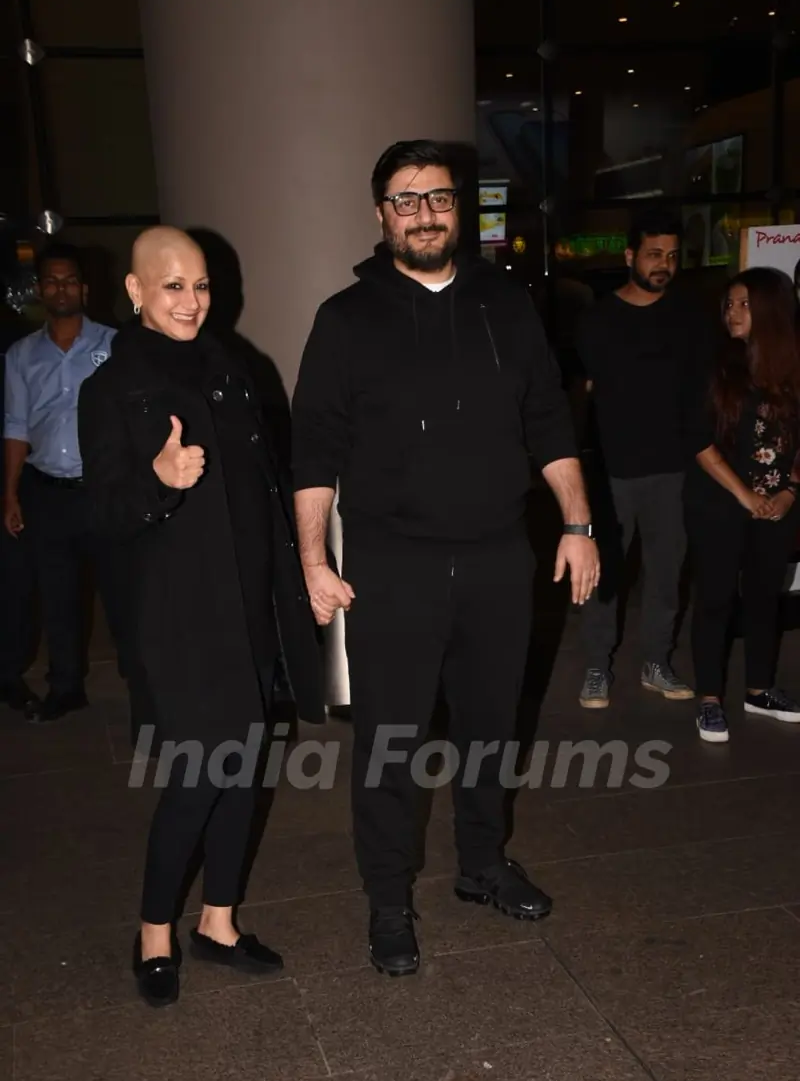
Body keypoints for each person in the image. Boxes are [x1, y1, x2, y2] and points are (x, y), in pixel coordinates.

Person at [292, 139, 599, 977]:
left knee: (491, 731)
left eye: (438, 198)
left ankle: (482, 865)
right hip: (395, 566)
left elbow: (548, 421)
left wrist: (578, 524)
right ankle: (388, 898)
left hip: (501, 555)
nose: (424, 213)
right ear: (380, 213)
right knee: (390, 742)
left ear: (459, 207)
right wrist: (316, 564)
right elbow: (313, 453)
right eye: (405, 199)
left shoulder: (507, 304)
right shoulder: (346, 319)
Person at [78, 227, 325, 1007]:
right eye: (174, 285)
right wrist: (158, 477)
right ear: (137, 291)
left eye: (203, 286)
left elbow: (266, 492)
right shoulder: (112, 388)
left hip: (251, 604)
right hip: (180, 617)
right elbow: (105, 514)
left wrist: (304, 576)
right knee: (198, 776)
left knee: (247, 772)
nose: (191, 301)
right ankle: (155, 930)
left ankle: (218, 921)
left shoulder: (233, 369)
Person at [574, 209, 710, 710]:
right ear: (631, 256)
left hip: (673, 469)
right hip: (611, 470)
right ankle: (595, 666)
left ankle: (656, 660)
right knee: (603, 575)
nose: (664, 264)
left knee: (666, 573)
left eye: (673, 256)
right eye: (655, 254)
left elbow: (702, 392)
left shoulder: (690, 317)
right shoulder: (597, 319)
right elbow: (580, 390)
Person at [2, 242, 125, 722]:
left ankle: (146, 686)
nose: (60, 288)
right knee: (57, 595)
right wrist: (9, 493)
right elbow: (15, 425)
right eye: (51, 281)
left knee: (121, 592)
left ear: (85, 289)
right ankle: (67, 686)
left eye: (69, 280)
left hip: (102, 491)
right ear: (39, 290)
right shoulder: (20, 355)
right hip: (46, 491)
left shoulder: (113, 345)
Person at [687, 268, 800, 743]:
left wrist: (788, 491)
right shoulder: (716, 364)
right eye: (729, 304)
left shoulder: (793, 368)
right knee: (714, 599)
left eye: (744, 304)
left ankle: (760, 689)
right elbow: (698, 442)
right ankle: (709, 699)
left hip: (778, 503)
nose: (732, 313)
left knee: (763, 599)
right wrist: (744, 495)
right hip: (720, 500)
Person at [0, 291, 38, 713]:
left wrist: (10, 492)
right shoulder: (19, 349)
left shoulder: (14, 346)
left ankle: (9, 674)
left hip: (26, 476)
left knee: (18, 586)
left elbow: (17, 423)